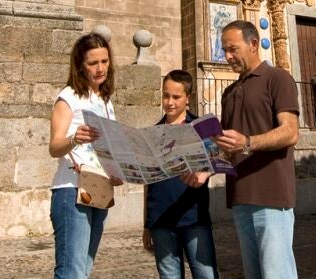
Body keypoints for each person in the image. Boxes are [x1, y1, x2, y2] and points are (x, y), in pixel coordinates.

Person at [214, 20, 300, 279]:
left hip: (271, 197)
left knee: (277, 274)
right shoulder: (229, 92)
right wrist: (205, 167)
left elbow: (290, 132)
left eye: (233, 49)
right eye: (224, 50)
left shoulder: (278, 78)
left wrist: (248, 142)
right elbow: (229, 147)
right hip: (240, 197)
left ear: (253, 44)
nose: (227, 57)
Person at [48, 33, 123, 279]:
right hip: (71, 190)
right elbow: (54, 147)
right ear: (80, 65)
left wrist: (117, 171)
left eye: (104, 61)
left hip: (99, 189)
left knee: (84, 270)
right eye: (93, 63)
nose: (100, 68)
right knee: (72, 272)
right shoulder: (68, 97)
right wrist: (74, 138)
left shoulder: (105, 101)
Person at [142, 70, 219, 279]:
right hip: (160, 219)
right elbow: (147, 181)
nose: (169, 102)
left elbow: (219, 159)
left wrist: (205, 173)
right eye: (166, 95)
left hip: (193, 217)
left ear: (188, 98)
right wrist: (146, 224)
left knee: (205, 274)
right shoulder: (152, 133)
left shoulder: (201, 128)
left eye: (176, 97)